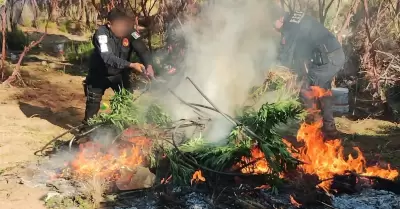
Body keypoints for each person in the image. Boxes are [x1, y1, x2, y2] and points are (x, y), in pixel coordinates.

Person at [270, 6, 345, 139]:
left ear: (280, 18)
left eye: (274, 24)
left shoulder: (291, 26)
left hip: (328, 59)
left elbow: (288, 52)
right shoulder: (294, 18)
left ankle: (312, 128)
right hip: (332, 57)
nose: (274, 29)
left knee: (306, 89)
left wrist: (277, 71)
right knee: (323, 90)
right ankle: (329, 128)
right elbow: (299, 51)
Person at [83, 8, 154, 124]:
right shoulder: (101, 34)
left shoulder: (131, 33)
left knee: (126, 102)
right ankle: (86, 132)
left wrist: (149, 65)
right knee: (92, 106)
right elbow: (107, 58)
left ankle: (122, 130)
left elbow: (143, 51)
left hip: (120, 75)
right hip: (99, 75)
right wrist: (131, 65)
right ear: (109, 24)